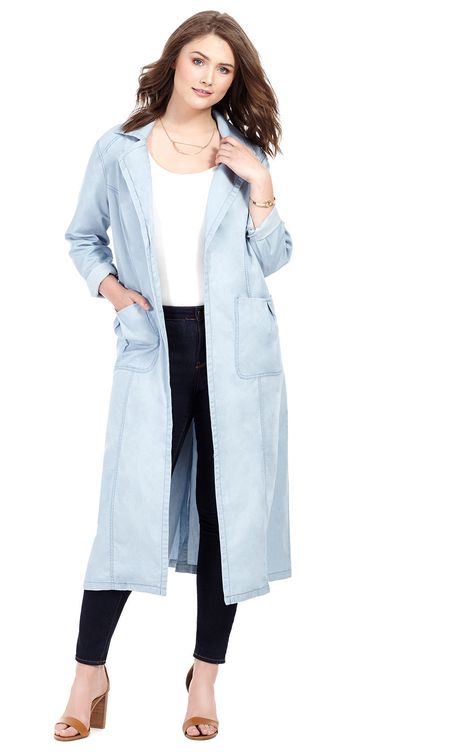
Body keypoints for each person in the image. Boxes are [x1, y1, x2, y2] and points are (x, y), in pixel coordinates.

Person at [55, 10, 293, 742]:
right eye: (199, 60)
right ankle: (88, 674)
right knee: (127, 511)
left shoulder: (241, 153)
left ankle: (205, 677)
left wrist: (260, 183)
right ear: (174, 61)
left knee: (229, 517)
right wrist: (115, 293)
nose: (209, 77)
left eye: (224, 69)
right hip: (154, 344)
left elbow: (274, 258)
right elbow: (82, 238)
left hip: (236, 354)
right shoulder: (120, 149)